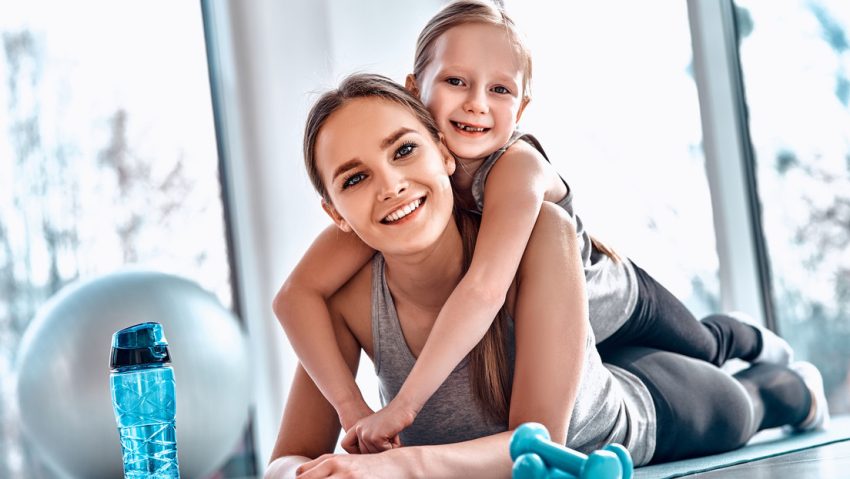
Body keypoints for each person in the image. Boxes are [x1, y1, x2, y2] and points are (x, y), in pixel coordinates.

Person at [274, 0, 796, 453]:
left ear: (521, 107)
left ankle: (742, 337)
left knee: (704, 347)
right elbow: (294, 296)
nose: (476, 103)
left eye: (499, 89)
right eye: (456, 81)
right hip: (573, 344)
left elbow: (483, 288)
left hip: (612, 298)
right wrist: (352, 409)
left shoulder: (515, 169)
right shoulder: (405, 197)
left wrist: (404, 405)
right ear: (416, 89)